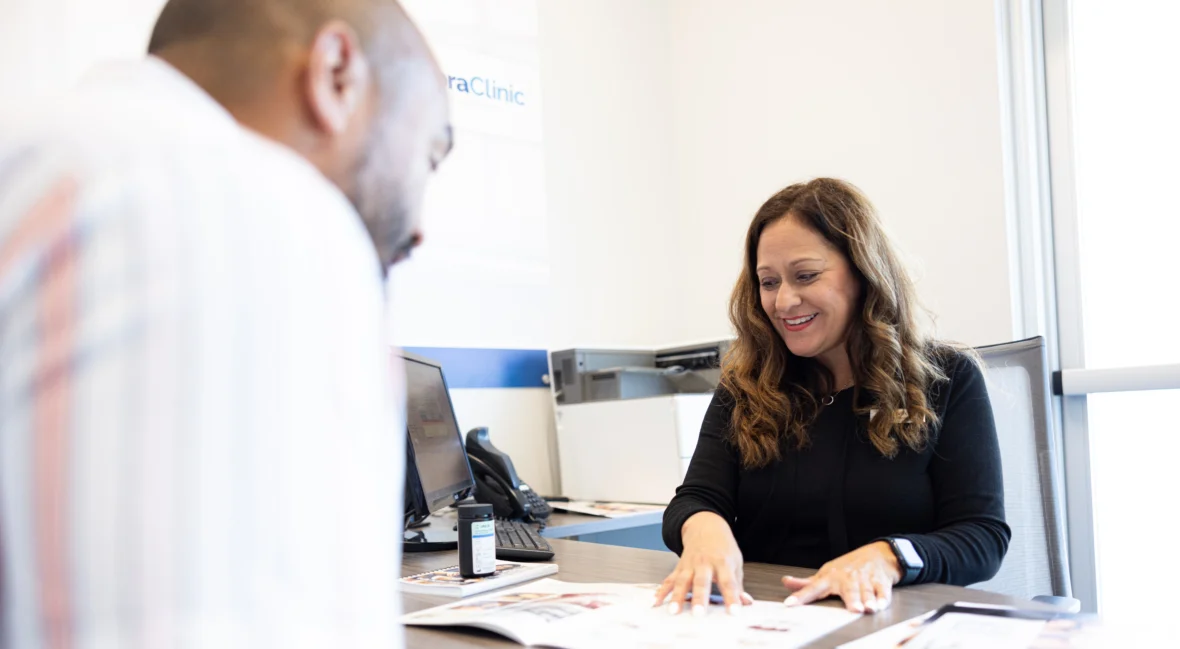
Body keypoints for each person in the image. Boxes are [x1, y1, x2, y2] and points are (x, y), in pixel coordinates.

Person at [0, 1, 451, 646]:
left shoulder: (43, 155)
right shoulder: (230, 204)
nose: (419, 228)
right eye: (430, 153)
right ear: (335, 74)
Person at [654, 178, 1010, 617]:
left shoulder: (946, 379)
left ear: (863, 273)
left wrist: (887, 556)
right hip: (766, 620)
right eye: (768, 282)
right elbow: (695, 499)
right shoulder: (745, 385)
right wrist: (703, 528)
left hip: (889, 621)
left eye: (806, 275)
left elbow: (982, 537)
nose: (784, 301)